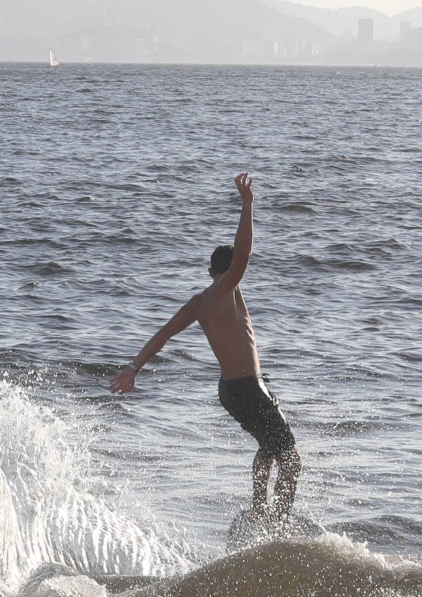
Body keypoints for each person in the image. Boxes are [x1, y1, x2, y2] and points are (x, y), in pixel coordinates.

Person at [110, 172, 303, 519]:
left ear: (208, 270)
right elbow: (243, 252)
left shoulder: (198, 303)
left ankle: (259, 511)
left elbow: (163, 334)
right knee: (291, 459)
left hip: (229, 390)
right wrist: (247, 204)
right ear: (229, 273)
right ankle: (279, 523)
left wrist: (133, 368)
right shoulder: (227, 289)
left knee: (267, 446)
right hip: (248, 388)